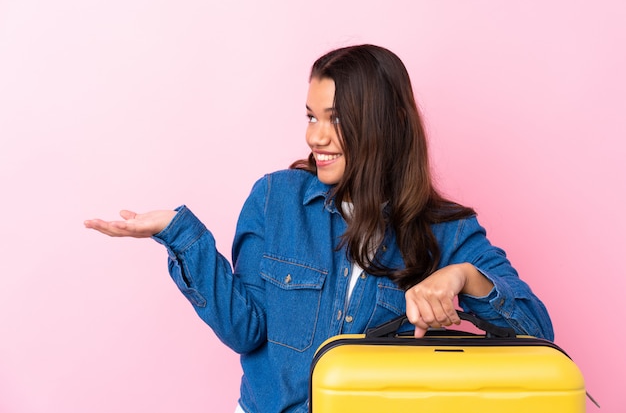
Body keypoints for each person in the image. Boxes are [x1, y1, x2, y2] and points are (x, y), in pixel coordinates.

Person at [84, 44, 553, 413]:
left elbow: (539, 335)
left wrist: (464, 278)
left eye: (336, 119)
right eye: (311, 116)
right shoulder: (275, 199)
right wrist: (180, 233)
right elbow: (245, 331)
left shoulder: (447, 231)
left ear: (390, 123)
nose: (315, 136)